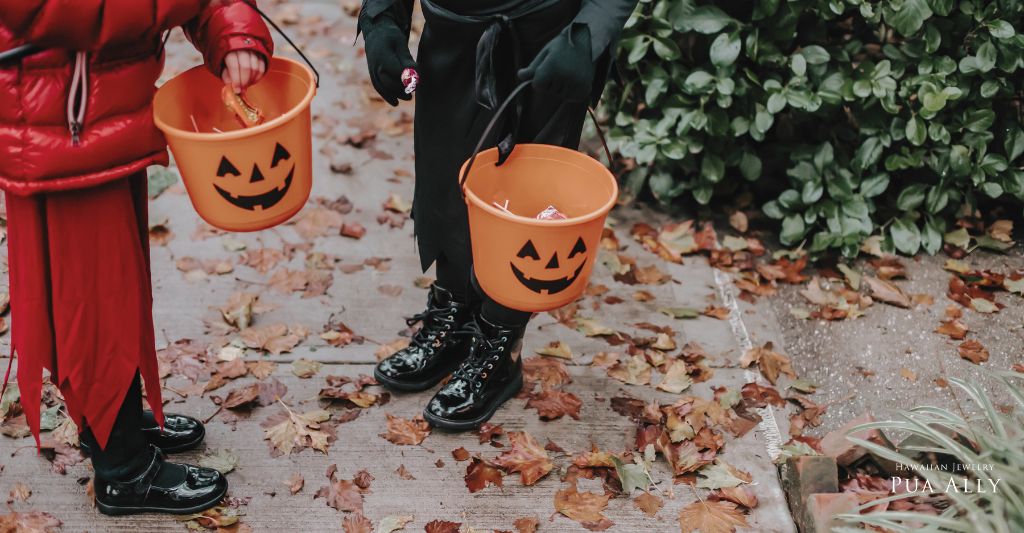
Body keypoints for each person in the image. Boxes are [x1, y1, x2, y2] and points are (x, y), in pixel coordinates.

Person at [0, 0, 272, 515]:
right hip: (59, 114)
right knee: (92, 298)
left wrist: (235, 33)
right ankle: (122, 468)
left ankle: (111, 419)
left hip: (101, 102)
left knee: (115, 290)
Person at [360, 0, 637, 429]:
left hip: (549, 44)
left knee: (525, 204)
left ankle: (499, 346)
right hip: (452, 34)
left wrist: (588, 33)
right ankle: (454, 321)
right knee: (447, 178)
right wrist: (381, 19)